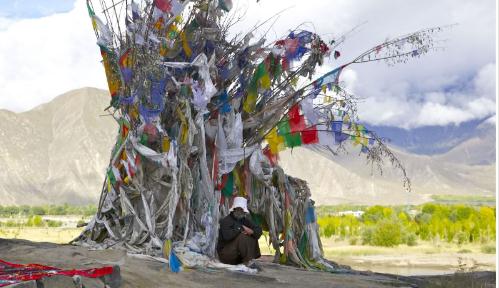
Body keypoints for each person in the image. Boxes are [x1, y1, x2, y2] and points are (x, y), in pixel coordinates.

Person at [217, 197, 262, 265]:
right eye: (238, 209)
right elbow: (227, 236)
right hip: (226, 254)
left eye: (242, 210)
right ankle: (248, 261)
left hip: (237, 256)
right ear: (234, 209)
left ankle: (250, 259)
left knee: (253, 235)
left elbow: (258, 229)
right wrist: (240, 228)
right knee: (242, 236)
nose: (240, 212)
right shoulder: (226, 221)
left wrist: (251, 232)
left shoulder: (244, 220)